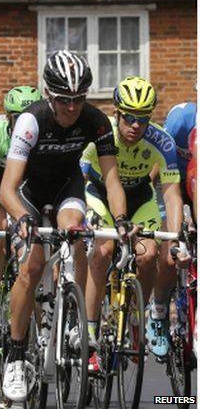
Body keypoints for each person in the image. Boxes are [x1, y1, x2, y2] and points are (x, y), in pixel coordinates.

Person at [0, 50, 126, 401]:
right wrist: (22, 219)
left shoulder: (96, 120)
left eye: (79, 98)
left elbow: (112, 180)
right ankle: (16, 352)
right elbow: (7, 187)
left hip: (67, 185)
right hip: (28, 192)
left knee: (76, 230)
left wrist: (121, 221)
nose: (72, 107)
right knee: (33, 265)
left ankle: (76, 319)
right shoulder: (31, 120)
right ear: (48, 94)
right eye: (64, 99)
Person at [81, 77, 183, 362]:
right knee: (102, 252)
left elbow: (172, 193)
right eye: (129, 117)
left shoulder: (161, 141)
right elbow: (80, 174)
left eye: (142, 118)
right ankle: (89, 333)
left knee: (149, 255)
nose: (135, 125)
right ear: (117, 113)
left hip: (140, 198)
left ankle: (138, 318)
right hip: (101, 195)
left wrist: (174, 240)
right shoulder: (102, 135)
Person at [0, 86, 42, 333]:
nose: (25, 123)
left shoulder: (43, 135)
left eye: (31, 117)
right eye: (18, 118)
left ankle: (44, 306)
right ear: (8, 118)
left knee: (35, 239)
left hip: (26, 188)